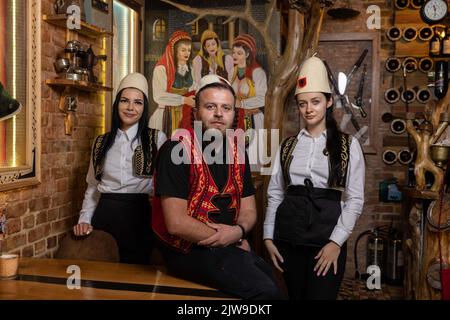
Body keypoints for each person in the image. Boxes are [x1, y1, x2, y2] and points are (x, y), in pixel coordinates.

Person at [152, 74, 284, 299]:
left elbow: (249, 210)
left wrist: (238, 233)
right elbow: (176, 223)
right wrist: (228, 241)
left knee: (274, 281)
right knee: (266, 291)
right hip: (186, 250)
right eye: (210, 106)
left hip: (228, 243)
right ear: (195, 112)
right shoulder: (176, 150)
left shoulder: (237, 151)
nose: (219, 114)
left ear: (234, 115)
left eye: (226, 108)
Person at [263, 56, 365, 300]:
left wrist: (335, 243)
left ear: (329, 102)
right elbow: (275, 193)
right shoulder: (287, 146)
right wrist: (268, 236)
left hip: (326, 242)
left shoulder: (348, 145)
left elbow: (355, 200)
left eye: (316, 102)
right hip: (288, 240)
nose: (308, 109)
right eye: (302, 103)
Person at [73, 72, 166, 264]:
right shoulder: (101, 142)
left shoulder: (157, 139)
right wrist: (84, 219)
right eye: (125, 101)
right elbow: (92, 187)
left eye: (138, 102)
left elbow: (164, 185)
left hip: (140, 216)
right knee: (103, 277)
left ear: (144, 107)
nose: (130, 108)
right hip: (106, 215)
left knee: (137, 277)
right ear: (117, 104)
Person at [149, 30, 196, 138]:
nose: (187, 53)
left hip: (185, 115)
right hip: (166, 116)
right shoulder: (161, 69)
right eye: (183, 50)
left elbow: (193, 89)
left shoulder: (191, 69)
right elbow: (159, 96)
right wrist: (184, 100)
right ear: (174, 51)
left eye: (189, 50)